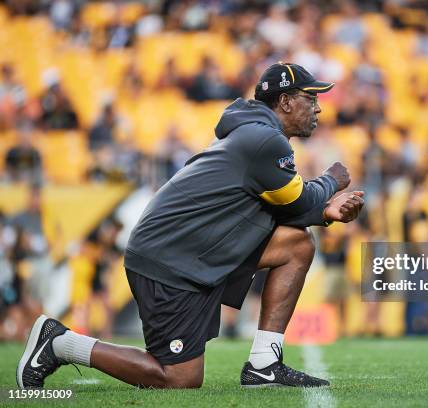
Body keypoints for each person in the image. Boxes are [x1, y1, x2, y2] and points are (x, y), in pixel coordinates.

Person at [17, 62, 365, 389]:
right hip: (170, 260)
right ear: (286, 102)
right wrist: (331, 182)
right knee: (178, 378)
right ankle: (61, 342)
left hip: (194, 251)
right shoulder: (264, 140)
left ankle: (264, 364)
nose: (318, 108)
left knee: (297, 244)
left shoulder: (255, 135)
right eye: (311, 98)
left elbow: (291, 209)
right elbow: (300, 201)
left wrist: (323, 211)